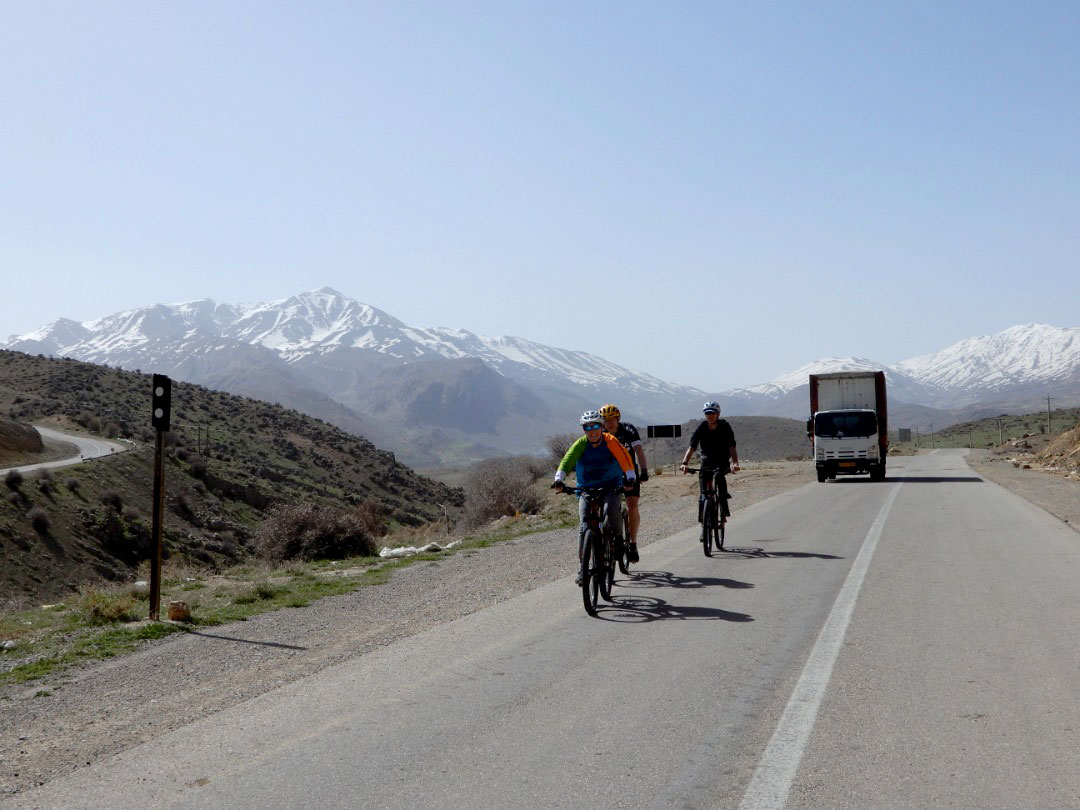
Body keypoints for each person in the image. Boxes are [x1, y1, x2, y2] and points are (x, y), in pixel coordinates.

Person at [553, 410, 637, 584]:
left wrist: (630, 476)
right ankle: (583, 568)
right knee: (584, 523)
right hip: (586, 486)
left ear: (601, 427)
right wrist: (558, 479)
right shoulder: (581, 444)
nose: (592, 431)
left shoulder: (610, 441)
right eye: (588, 427)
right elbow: (567, 460)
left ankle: (619, 540)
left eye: (596, 426)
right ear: (584, 429)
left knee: (610, 509)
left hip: (611, 484)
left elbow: (625, 458)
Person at [598, 403, 647, 563]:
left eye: (612, 419)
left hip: (629, 474)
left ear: (618, 419)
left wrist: (644, 470)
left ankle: (632, 543)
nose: (609, 423)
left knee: (632, 506)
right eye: (605, 420)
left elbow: (639, 450)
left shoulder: (628, 429)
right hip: (610, 475)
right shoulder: (601, 433)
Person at [679, 401, 740, 527]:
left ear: (718, 414)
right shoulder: (701, 427)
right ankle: (703, 523)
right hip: (707, 460)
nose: (710, 416)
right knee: (703, 493)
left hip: (722, 459)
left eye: (712, 413)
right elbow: (692, 447)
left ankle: (724, 510)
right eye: (707, 413)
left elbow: (732, 446)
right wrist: (684, 463)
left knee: (719, 476)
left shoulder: (724, 426)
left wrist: (735, 463)